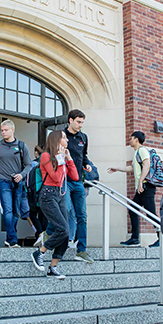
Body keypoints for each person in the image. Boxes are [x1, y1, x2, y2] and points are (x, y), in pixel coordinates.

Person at [31, 130, 79, 279]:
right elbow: (57, 178)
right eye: (64, 138)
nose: (67, 140)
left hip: (59, 195)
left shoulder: (63, 157)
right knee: (63, 229)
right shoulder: (46, 156)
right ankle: (40, 251)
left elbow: (75, 177)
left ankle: (53, 267)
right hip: (48, 195)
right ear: (57, 140)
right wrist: (60, 159)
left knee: (65, 233)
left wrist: (69, 159)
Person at [107, 131, 159, 247]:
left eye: (131, 138)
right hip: (141, 189)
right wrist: (117, 169)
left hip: (146, 187)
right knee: (132, 210)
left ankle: (162, 238)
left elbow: (147, 165)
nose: (129, 140)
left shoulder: (142, 150)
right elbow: (132, 168)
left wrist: (140, 181)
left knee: (151, 214)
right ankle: (135, 238)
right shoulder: (137, 153)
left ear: (136, 139)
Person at [64, 109, 95, 263]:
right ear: (70, 120)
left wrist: (87, 164)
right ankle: (51, 237)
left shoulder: (83, 137)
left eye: (82, 122)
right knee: (66, 209)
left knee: (82, 216)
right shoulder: (61, 136)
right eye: (78, 122)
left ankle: (81, 250)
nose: (80, 125)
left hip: (78, 182)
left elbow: (84, 156)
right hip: (64, 181)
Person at [27, 145, 49, 246]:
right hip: (46, 193)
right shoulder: (48, 163)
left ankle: (41, 234)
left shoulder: (34, 165)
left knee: (32, 214)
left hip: (36, 194)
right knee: (44, 216)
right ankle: (43, 235)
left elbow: (31, 182)